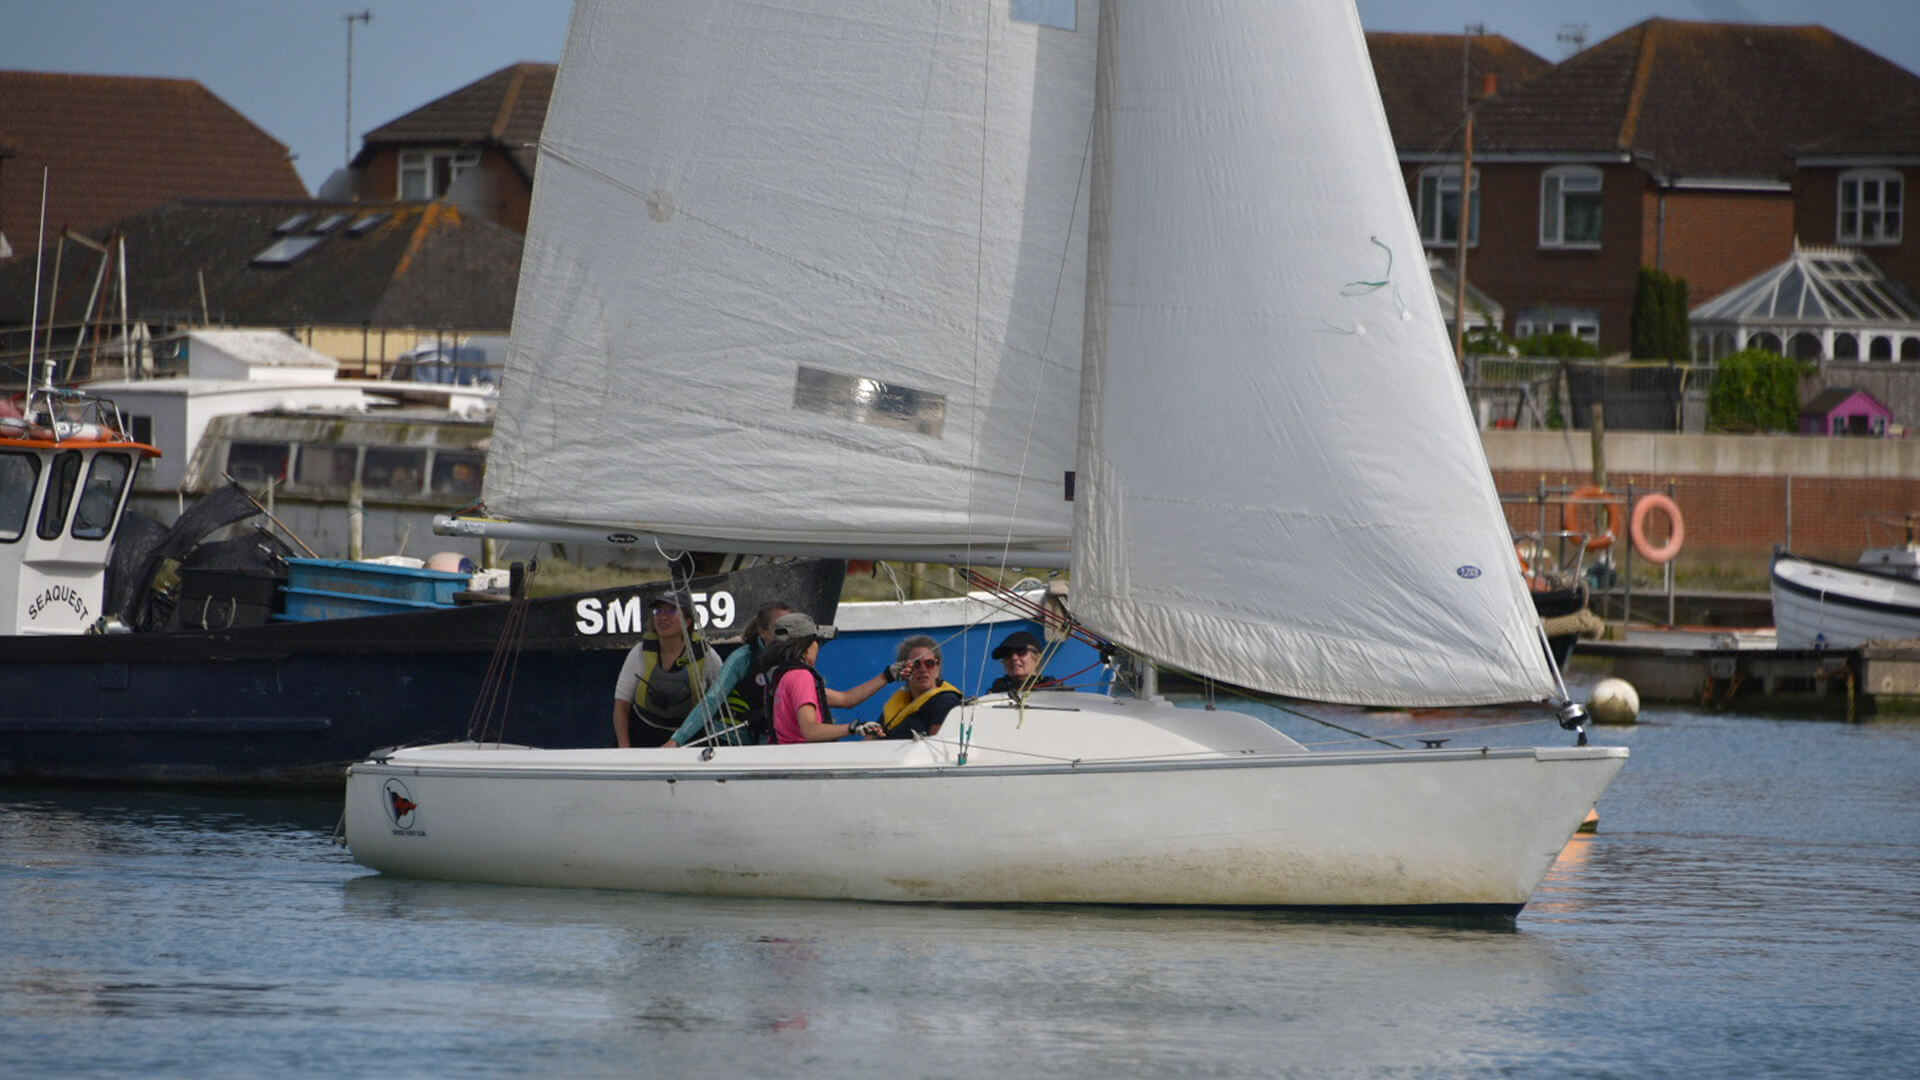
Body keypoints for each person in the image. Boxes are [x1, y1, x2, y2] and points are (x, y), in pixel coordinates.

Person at [663, 599, 794, 748]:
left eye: (791, 627)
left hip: (769, 742)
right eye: (779, 628)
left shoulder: (796, 657)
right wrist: (677, 740)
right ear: (763, 631)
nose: (786, 634)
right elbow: (712, 700)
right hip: (729, 738)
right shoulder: (742, 658)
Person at [761, 612, 898, 744]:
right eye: (818, 642)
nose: (818, 649)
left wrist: (887, 676)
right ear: (806, 646)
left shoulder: (780, 677)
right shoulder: (801, 676)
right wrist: (853, 728)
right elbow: (810, 731)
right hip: (806, 760)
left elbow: (846, 699)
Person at [611, 589, 724, 748]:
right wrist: (625, 749)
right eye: (659, 611)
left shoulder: (707, 656)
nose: (663, 617)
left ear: (688, 621)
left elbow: (721, 700)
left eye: (672, 611)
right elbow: (621, 706)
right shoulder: (639, 652)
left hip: (690, 738)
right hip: (643, 734)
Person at [875, 634, 962, 739]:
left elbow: (938, 746)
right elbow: (868, 744)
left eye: (929, 663)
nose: (923, 669)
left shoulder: (946, 701)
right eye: (915, 664)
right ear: (904, 671)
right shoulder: (895, 707)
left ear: (937, 669)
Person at [986, 630, 1063, 696]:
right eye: (1007, 654)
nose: (1014, 658)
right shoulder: (994, 693)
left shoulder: (1056, 690)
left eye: (1021, 651)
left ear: (1037, 657)